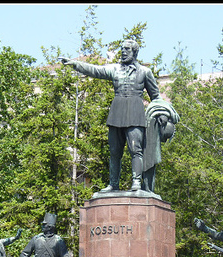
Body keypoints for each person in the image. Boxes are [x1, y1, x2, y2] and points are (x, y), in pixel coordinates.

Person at [60, 39, 161, 192]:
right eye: (122, 49)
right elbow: (94, 70)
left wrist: (163, 114)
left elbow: (156, 96)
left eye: (127, 49)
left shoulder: (145, 72)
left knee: (136, 149)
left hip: (135, 112)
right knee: (114, 151)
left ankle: (136, 182)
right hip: (117, 112)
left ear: (134, 52)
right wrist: (75, 64)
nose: (123, 52)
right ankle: (113, 184)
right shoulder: (114, 69)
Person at [143, 98, 180, 193]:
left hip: (146, 123)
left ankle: (146, 186)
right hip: (126, 116)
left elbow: (156, 96)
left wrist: (164, 114)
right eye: (164, 138)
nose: (163, 141)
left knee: (148, 158)